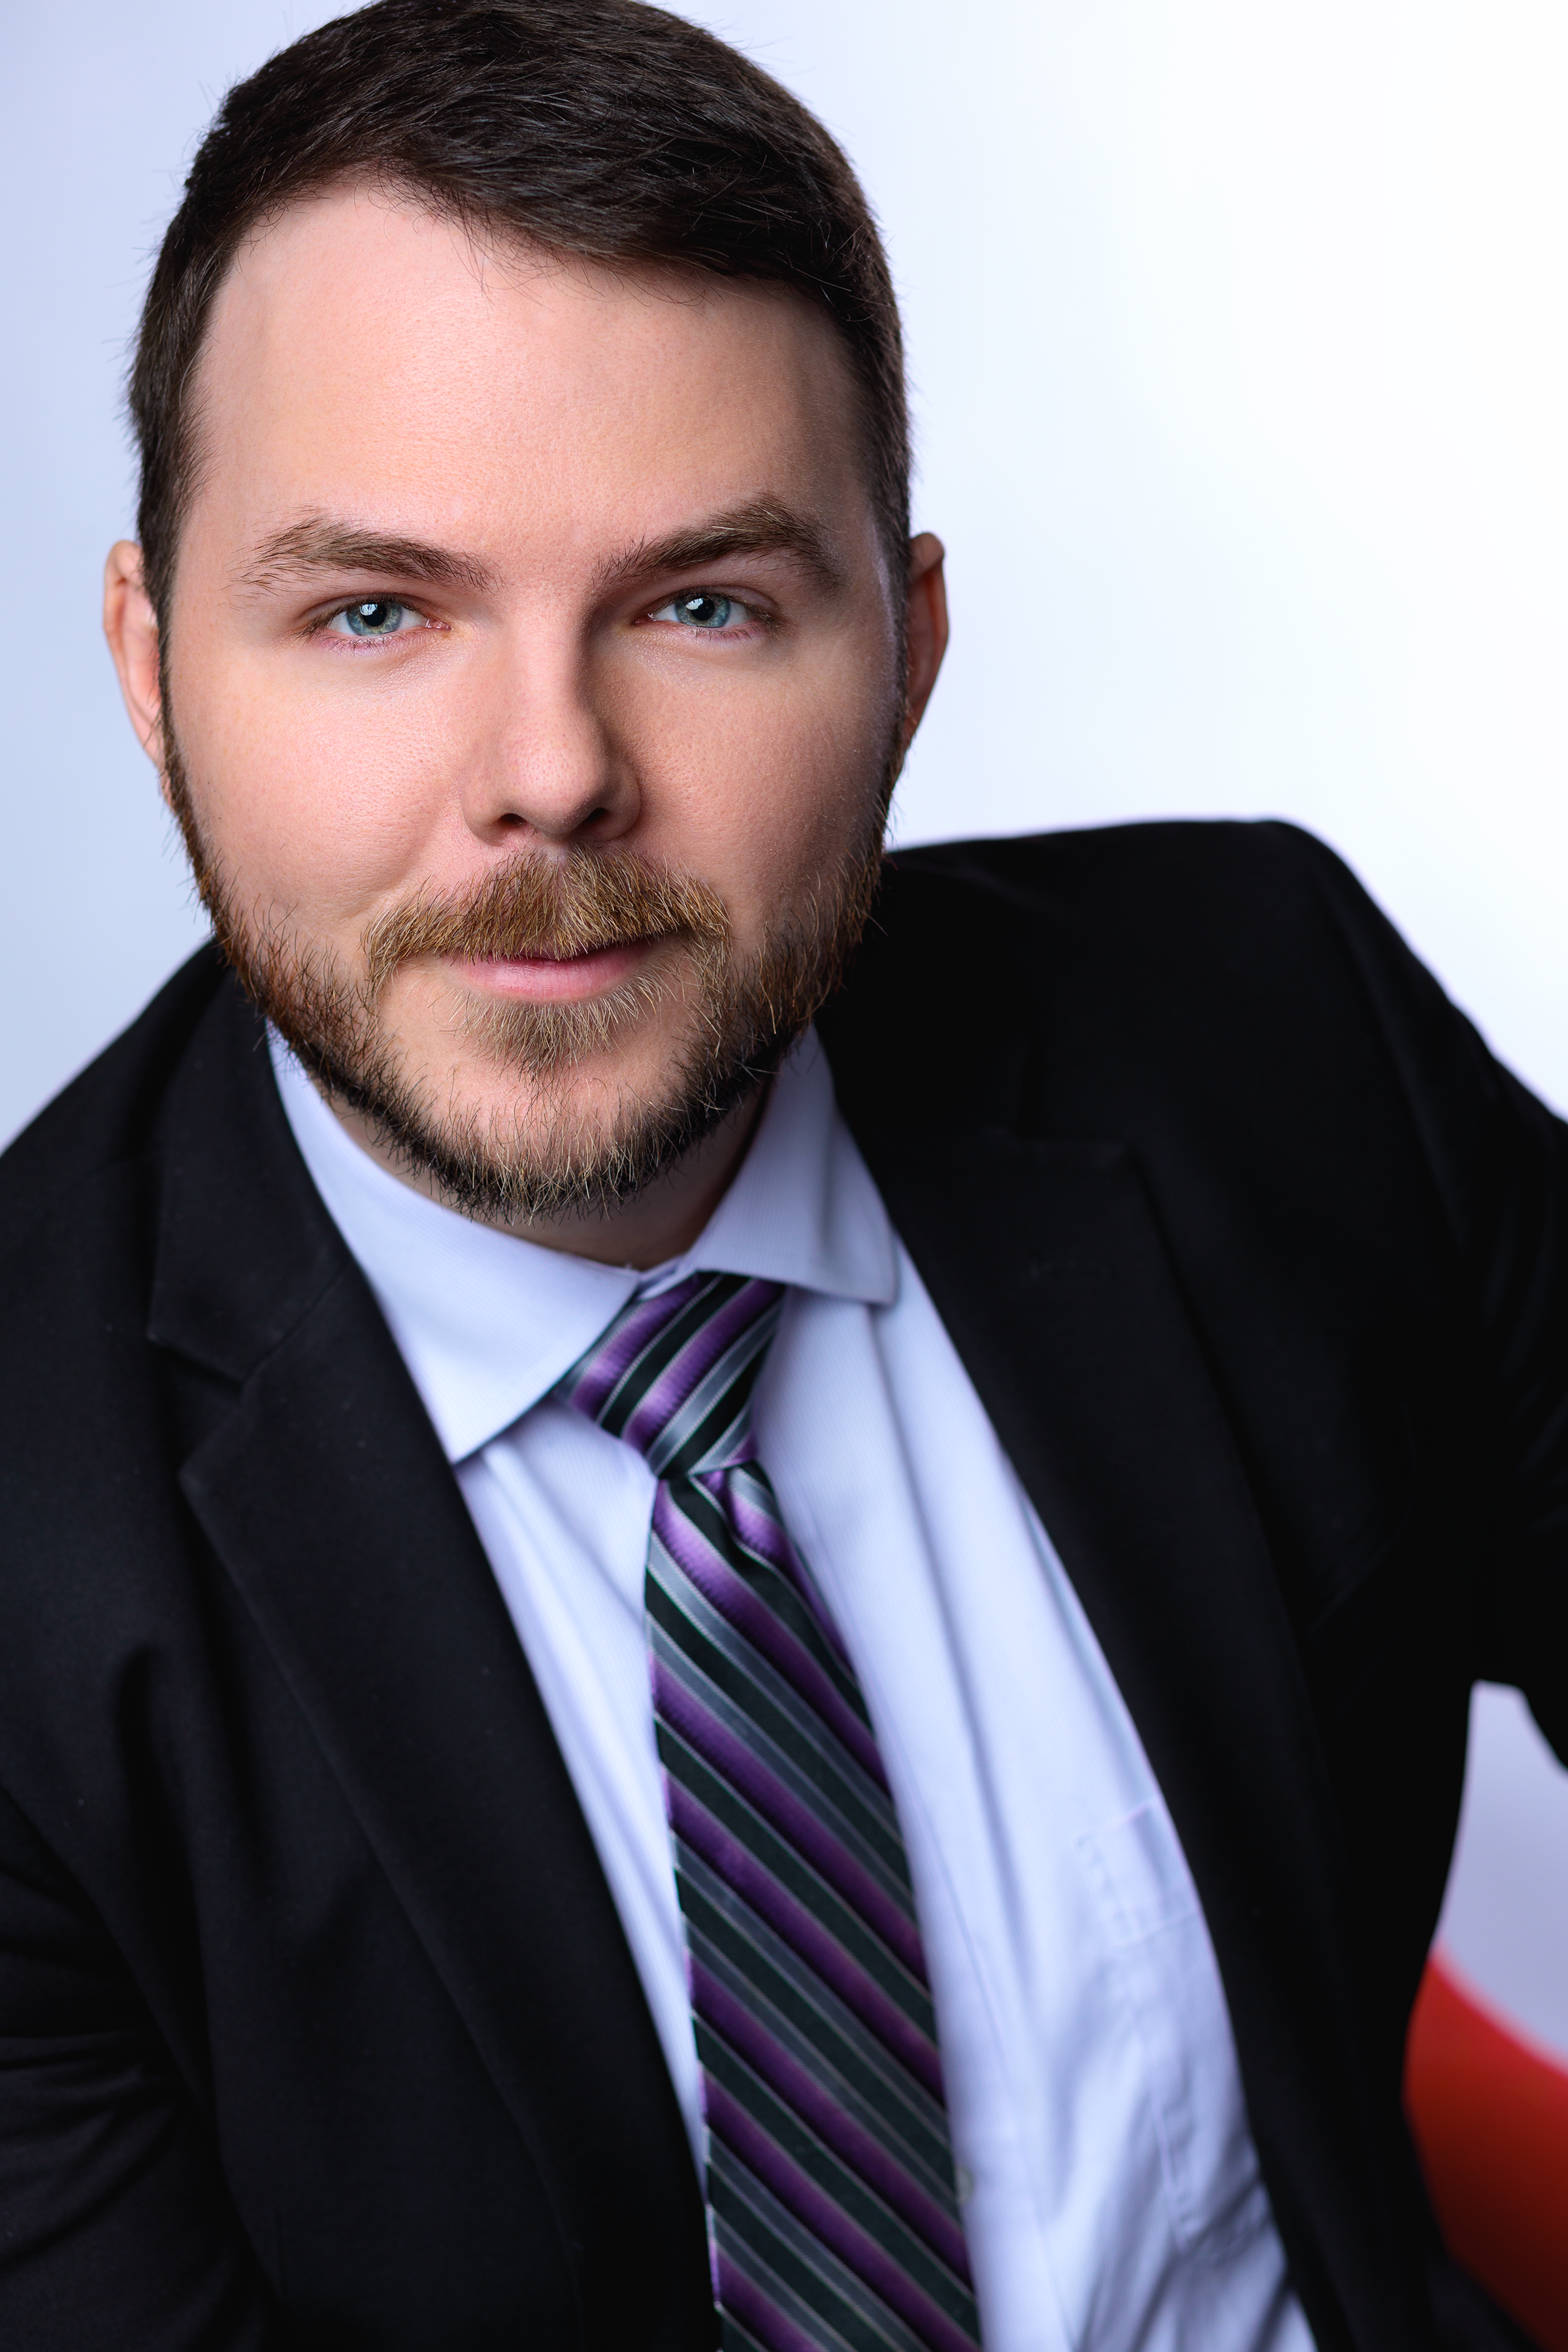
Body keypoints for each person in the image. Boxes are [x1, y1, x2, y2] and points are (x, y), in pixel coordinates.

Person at [0, 0, 1560, 2345]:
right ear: (148, 666)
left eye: (703, 604)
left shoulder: (1273, 1024)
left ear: (909, 651)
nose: (550, 776)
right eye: (375, 614)